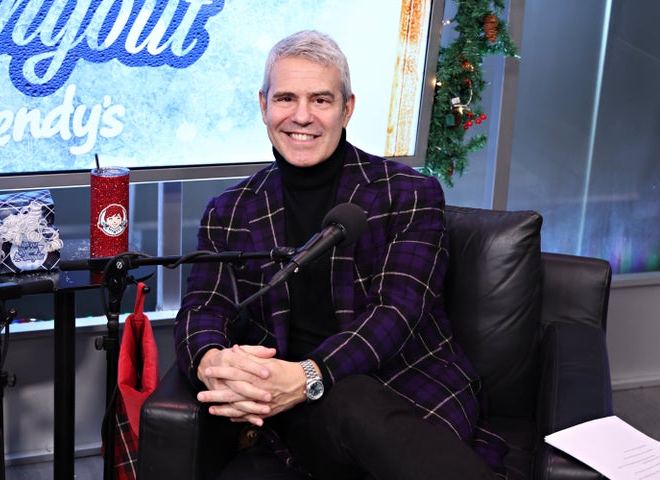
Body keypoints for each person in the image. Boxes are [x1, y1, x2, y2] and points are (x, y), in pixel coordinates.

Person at [174, 30, 507, 479]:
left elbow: (397, 310)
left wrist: (310, 375)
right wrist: (211, 362)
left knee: (352, 398)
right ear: (263, 105)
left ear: (347, 108)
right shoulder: (229, 211)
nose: (302, 116)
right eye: (286, 98)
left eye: (321, 100)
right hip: (288, 416)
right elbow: (202, 308)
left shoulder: (408, 192)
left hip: (402, 395)